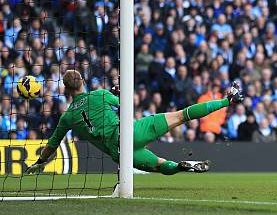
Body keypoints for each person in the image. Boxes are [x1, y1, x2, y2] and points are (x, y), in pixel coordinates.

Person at [25, 70, 244, 175]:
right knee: (181, 115)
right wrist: (115, 92)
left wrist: (39, 162)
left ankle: (179, 166)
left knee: (159, 165)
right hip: (130, 133)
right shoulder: (99, 94)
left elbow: (52, 146)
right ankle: (228, 99)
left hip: (119, 152)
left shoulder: (67, 116)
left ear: (65, 89)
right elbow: (124, 102)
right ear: (82, 81)